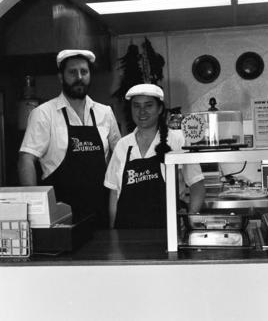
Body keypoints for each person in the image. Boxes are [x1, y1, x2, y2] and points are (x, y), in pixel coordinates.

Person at [18, 49, 121, 225]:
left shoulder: (105, 113)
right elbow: (26, 160)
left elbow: (120, 156)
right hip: (61, 217)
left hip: (100, 212)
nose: (79, 77)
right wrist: (36, 210)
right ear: (61, 77)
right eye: (72, 72)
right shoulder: (44, 114)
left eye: (84, 72)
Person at [104, 83, 205, 229]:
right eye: (136, 106)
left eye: (148, 105)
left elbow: (197, 186)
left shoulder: (178, 140)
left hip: (167, 233)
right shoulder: (123, 145)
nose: (142, 111)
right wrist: (113, 233)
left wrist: (190, 220)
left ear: (160, 109)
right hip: (127, 236)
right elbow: (114, 193)